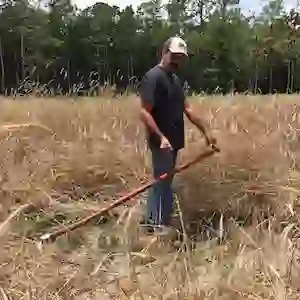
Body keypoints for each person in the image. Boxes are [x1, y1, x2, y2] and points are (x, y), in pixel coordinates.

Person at [139, 36, 217, 233]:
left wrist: (206, 131)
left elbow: (188, 110)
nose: (177, 61)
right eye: (174, 56)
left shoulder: (174, 80)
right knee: (162, 181)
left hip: (173, 142)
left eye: (181, 58)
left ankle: (155, 220)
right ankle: (157, 225)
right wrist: (161, 137)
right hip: (161, 142)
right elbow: (144, 112)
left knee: (165, 181)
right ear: (164, 53)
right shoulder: (153, 77)